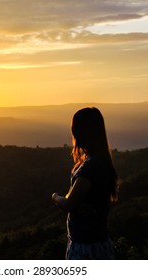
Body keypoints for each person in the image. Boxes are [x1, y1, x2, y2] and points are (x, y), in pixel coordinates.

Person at [52, 107, 118, 260]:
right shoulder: (99, 161)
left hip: (87, 247)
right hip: (97, 242)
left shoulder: (91, 165)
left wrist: (55, 196)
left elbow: (68, 204)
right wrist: (76, 204)